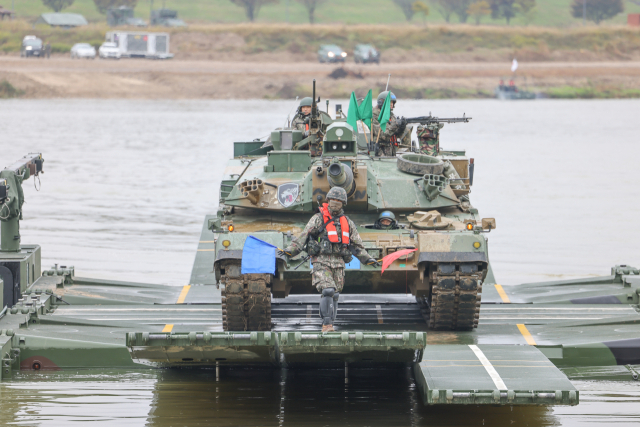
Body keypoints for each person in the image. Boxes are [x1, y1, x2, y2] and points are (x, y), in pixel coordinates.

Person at [279, 187, 379, 332]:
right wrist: (290, 251)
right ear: (328, 200)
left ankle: (330, 322)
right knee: (327, 291)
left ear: (343, 203)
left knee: (335, 294)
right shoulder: (318, 219)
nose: (335, 203)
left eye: (339, 201)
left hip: (338, 263)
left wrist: (368, 259)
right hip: (321, 260)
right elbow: (303, 237)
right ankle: (326, 324)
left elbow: (357, 246)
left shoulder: (347, 223)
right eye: (333, 200)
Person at [371, 91, 409, 157]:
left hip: (391, 151)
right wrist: (395, 125)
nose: (391, 104)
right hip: (380, 152)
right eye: (390, 102)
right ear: (381, 102)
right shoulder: (374, 115)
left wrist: (401, 128)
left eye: (392, 102)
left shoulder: (391, 116)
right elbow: (382, 135)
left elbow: (396, 135)